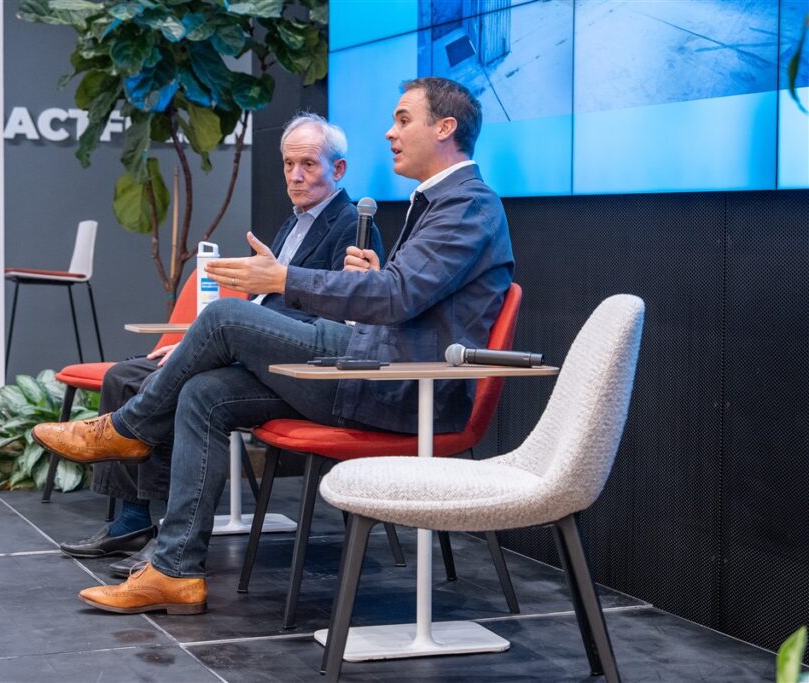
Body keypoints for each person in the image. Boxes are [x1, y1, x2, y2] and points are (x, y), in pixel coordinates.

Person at [33, 76, 514, 615]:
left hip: (402, 387)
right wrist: (372, 279)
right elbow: (408, 297)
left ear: (445, 128)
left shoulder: (467, 205)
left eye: (403, 119)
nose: (390, 132)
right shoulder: (438, 203)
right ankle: (173, 572)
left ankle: (127, 429)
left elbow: (399, 297)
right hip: (372, 365)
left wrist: (284, 278)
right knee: (204, 394)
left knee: (225, 317)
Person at [56, 113, 384, 577]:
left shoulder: (351, 226)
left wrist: (227, 340)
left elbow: (334, 321)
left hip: (293, 363)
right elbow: (263, 298)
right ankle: (131, 520)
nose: (295, 175)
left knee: (189, 388)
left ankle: (160, 523)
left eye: (308, 164)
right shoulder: (293, 224)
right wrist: (195, 344)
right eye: (288, 164)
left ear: (339, 169)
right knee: (125, 376)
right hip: (249, 347)